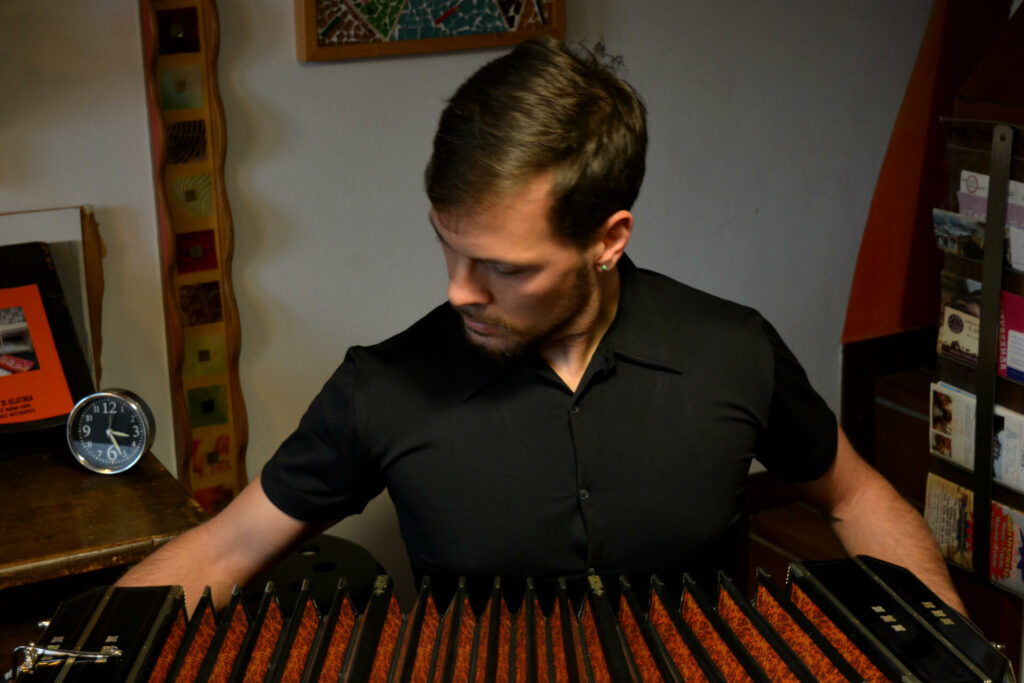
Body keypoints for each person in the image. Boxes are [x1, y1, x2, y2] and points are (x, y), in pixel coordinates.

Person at [118, 35, 966, 616]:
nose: (458, 291)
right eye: (448, 248)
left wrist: (956, 650)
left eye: (505, 267)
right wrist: (79, 656)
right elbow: (223, 550)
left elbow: (855, 497)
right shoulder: (382, 386)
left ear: (608, 240)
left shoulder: (733, 349)